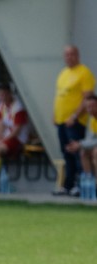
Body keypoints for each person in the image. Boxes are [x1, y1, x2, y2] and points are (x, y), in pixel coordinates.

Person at [52, 45, 95, 197]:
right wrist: (55, 114)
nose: (68, 57)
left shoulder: (84, 72)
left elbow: (87, 97)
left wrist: (75, 116)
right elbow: (59, 96)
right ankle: (68, 185)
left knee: (77, 151)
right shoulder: (63, 73)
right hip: (61, 120)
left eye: (71, 54)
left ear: (77, 55)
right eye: (66, 55)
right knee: (66, 153)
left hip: (75, 121)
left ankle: (79, 184)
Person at [64, 93, 97, 199]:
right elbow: (89, 139)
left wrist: (80, 144)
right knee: (83, 152)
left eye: (93, 106)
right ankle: (89, 182)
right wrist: (78, 145)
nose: (90, 109)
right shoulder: (91, 120)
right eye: (88, 107)